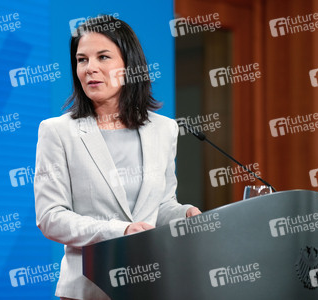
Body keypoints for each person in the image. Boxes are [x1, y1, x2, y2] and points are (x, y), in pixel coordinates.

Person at [34, 15, 202, 300]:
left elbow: (158, 206)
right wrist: (120, 230)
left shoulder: (164, 129)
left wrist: (183, 214)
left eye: (103, 57)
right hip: (87, 290)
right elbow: (51, 217)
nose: (90, 68)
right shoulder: (57, 132)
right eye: (82, 59)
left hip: (151, 287)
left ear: (129, 66)